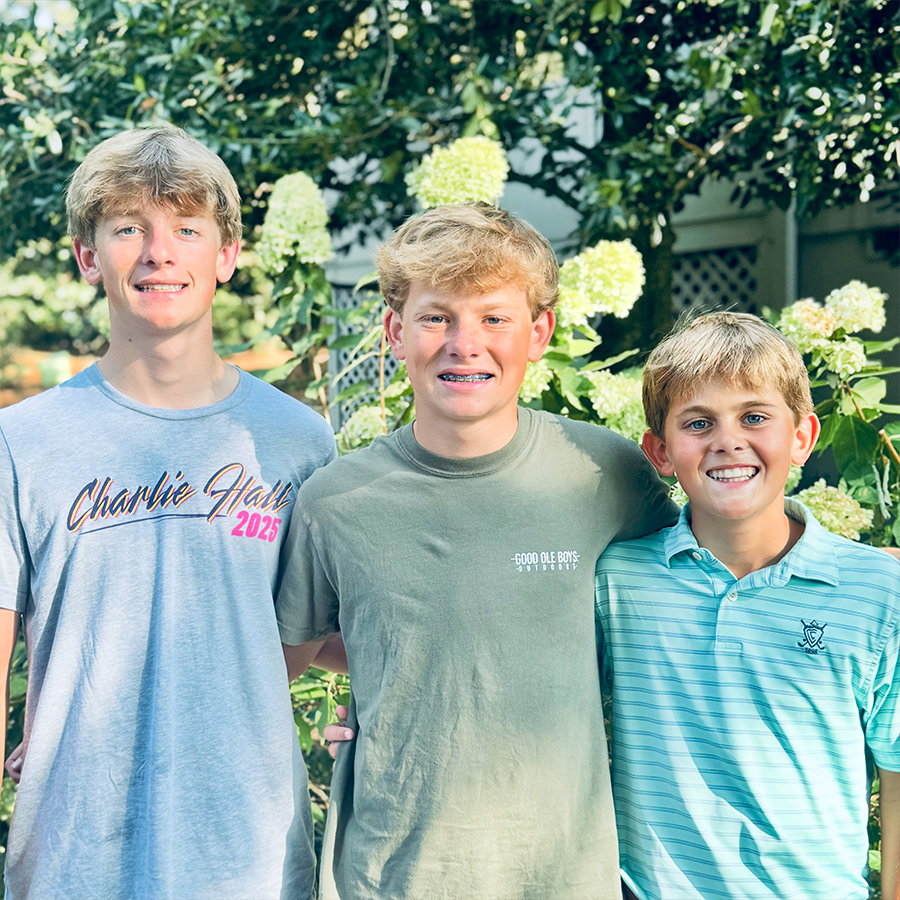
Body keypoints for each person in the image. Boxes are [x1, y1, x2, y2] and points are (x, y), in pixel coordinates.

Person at [275, 203, 679, 900]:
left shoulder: (602, 474)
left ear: (538, 333)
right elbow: (289, 657)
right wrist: (393, 678)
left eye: (494, 318)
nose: (465, 344)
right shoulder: (335, 502)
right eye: (437, 317)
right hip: (390, 874)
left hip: (560, 877)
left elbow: (688, 597)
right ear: (396, 332)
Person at [0, 124, 338, 900]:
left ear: (226, 255)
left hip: (249, 862)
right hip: (72, 861)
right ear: (88, 257)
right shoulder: (20, 443)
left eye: (187, 229)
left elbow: (324, 631)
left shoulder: (297, 441)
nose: (159, 253)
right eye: (128, 229)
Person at [594, 311, 900, 900]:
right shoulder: (619, 583)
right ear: (660, 452)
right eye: (698, 423)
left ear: (802, 438)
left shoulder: (876, 589)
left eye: (755, 417)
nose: (728, 441)